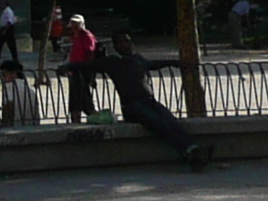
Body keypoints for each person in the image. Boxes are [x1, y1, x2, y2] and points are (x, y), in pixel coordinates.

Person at [104, 28, 216, 171]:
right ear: (115, 46)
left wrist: (176, 63)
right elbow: (86, 66)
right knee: (159, 124)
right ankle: (190, 152)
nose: (126, 45)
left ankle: (192, 152)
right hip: (132, 106)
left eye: (127, 41)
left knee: (170, 120)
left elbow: (155, 64)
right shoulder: (112, 62)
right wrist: (69, 67)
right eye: (121, 43)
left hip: (149, 101)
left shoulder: (137, 60)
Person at [62, 12, 99, 123]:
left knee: (83, 96)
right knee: (75, 98)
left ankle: (93, 116)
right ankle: (75, 119)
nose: (73, 25)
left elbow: (90, 53)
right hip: (74, 70)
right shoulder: (76, 36)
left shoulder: (86, 36)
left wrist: (88, 68)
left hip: (82, 70)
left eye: (76, 23)